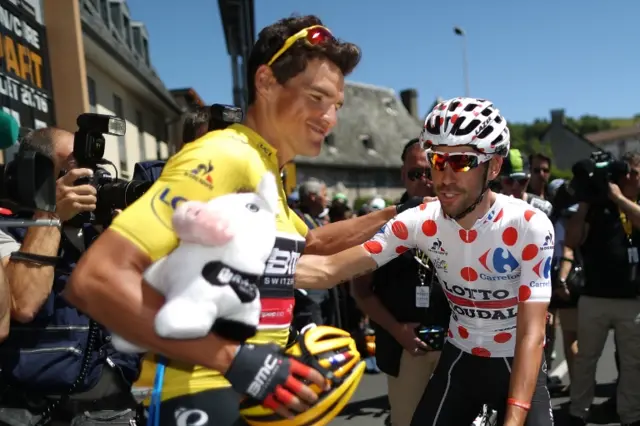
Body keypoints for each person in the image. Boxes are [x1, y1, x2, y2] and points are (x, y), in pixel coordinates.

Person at [66, 15, 421, 425]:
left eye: (336, 105)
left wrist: (404, 215)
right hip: (201, 390)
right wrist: (235, 360)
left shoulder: (264, 165)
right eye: (316, 98)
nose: (330, 118)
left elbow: (315, 249)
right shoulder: (227, 155)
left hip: (251, 389)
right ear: (266, 83)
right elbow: (98, 278)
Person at [294, 97, 555, 426]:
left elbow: (531, 334)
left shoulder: (527, 225)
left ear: (494, 167)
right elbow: (331, 269)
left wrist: (514, 420)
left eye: (461, 161)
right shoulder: (422, 220)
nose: (444, 177)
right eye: (437, 160)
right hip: (461, 359)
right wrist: (249, 273)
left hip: (517, 360)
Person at [0, 128, 140, 426]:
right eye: (74, 167)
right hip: (29, 411)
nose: (90, 178)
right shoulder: (9, 225)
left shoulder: (97, 230)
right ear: (36, 174)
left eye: (92, 168)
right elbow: (22, 304)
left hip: (108, 406)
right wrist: (49, 215)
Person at [351, 138, 450, 426]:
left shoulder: (462, 222)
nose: (424, 181)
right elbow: (360, 291)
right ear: (402, 175)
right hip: (406, 348)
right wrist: (397, 330)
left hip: (456, 346)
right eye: (415, 173)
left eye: (431, 172)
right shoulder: (382, 227)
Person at [566, 151, 640, 426]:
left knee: (633, 364)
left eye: (636, 172)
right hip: (594, 296)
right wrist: (585, 202)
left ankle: (631, 416)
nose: (630, 176)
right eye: (627, 171)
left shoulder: (630, 203)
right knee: (586, 360)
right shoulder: (597, 204)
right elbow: (573, 240)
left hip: (631, 299)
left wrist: (619, 199)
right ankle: (577, 413)